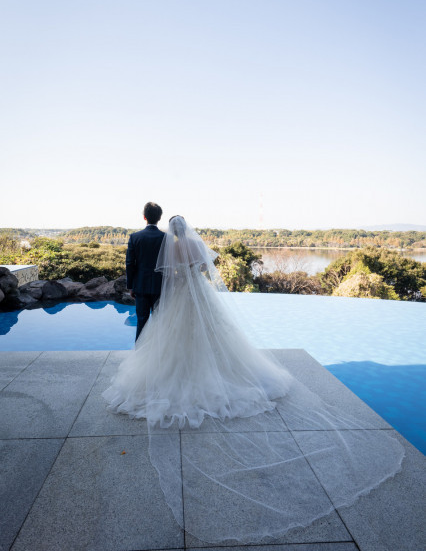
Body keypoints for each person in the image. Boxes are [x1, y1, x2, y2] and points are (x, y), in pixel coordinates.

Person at [103, 215, 404, 544]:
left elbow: (169, 276)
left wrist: (176, 283)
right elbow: (204, 269)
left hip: (179, 297)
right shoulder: (193, 244)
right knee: (217, 338)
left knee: (175, 338)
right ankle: (221, 371)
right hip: (200, 296)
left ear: (170, 231)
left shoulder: (170, 248)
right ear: (186, 229)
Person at [125, 202, 165, 341]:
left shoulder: (135, 237)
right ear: (159, 218)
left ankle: (139, 357)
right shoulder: (166, 238)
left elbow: (130, 264)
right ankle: (158, 355)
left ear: (144, 217)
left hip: (140, 285)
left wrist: (130, 286)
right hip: (160, 286)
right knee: (159, 323)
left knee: (141, 321)